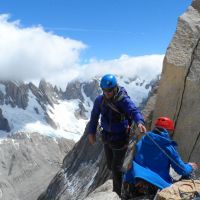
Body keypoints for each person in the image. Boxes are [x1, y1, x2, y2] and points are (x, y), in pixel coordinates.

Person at [87, 74, 146, 197]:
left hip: (120, 138)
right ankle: (123, 182)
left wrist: (140, 122)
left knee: (116, 167)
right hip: (107, 137)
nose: (107, 93)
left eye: (109, 91)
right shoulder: (100, 100)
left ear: (115, 88)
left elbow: (134, 111)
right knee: (110, 164)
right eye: (104, 90)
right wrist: (91, 132)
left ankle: (117, 194)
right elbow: (94, 117)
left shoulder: (123, 100)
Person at [123, 116, 198, 199]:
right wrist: (190, 166)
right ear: (168, 131)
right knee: (189, 174)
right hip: (155, 184)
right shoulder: (167, 147)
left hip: (133, 179)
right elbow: (182, 170)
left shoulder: (143, 140)